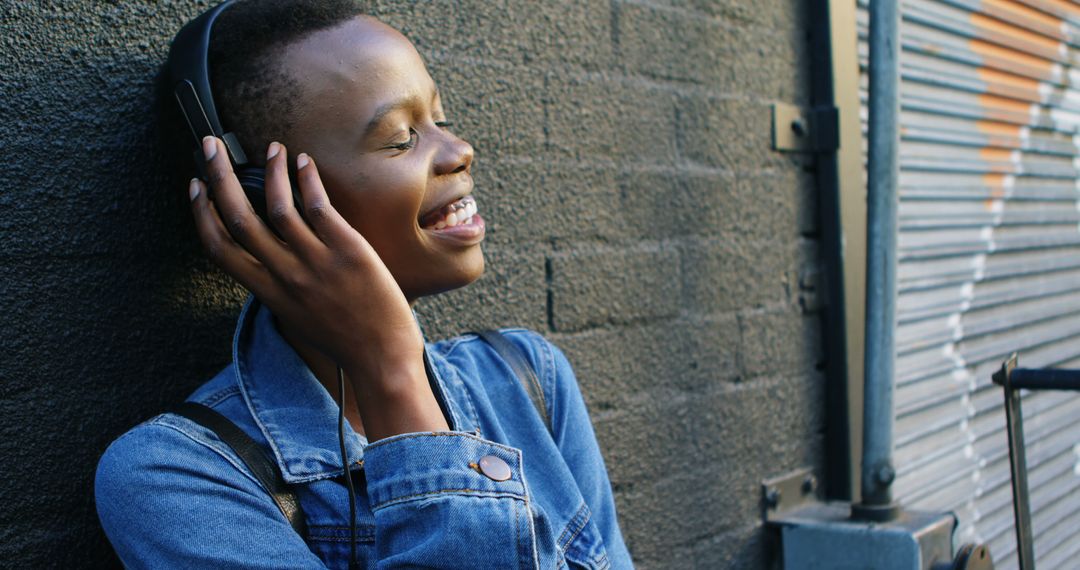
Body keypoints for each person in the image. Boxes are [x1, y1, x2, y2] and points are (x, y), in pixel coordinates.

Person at [93, 1, 633, 568]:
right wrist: (388, 369)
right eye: (401, 138)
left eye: (440, 121)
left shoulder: (526, 379)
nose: (458, 151)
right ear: (257, 201)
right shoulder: (174, 476)